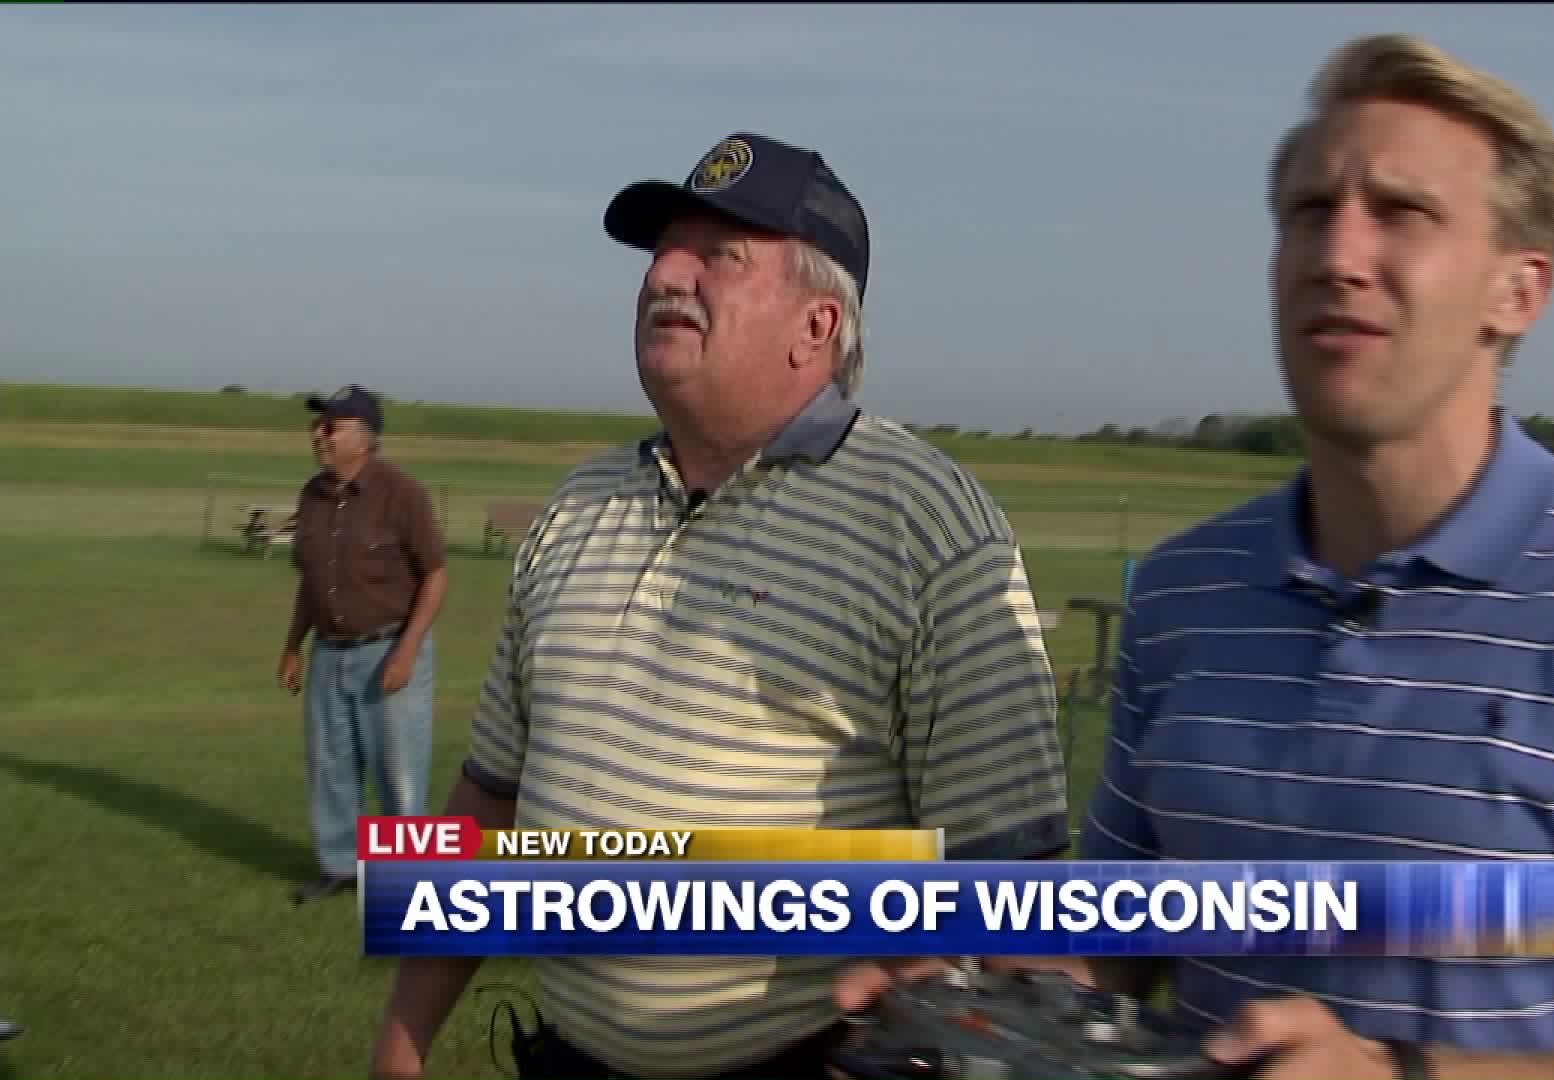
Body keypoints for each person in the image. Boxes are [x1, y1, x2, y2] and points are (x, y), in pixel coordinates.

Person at [840, 31, 1554, 1080]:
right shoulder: (1187, 593)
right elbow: (1118, 945)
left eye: (1401, 212)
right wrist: (974, 995)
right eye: (1310, 211)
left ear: (1518, 290)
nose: (1338, 255)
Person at [367, 132, 1069, 1080]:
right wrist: (401, 1043)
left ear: (817, 325)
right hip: (567, 1058)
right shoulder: (578, 504)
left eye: (719, 254)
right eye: (664, 251)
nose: (665, 274)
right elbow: (489, 798)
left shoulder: (927, 525)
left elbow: (1012, 889)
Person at [280, 386, 450, 905]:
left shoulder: (401, 493)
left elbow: (436, 575)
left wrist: (407, 651)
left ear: (366, 437)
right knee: (330, 767)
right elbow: (312, 581)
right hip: (328, 652)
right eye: (317, 426)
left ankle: (410, 883)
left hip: (389, 649)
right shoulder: (312, 494)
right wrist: (293, 645)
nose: (319, 435)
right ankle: (340, 866)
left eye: (330, 426)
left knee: (399, 772)